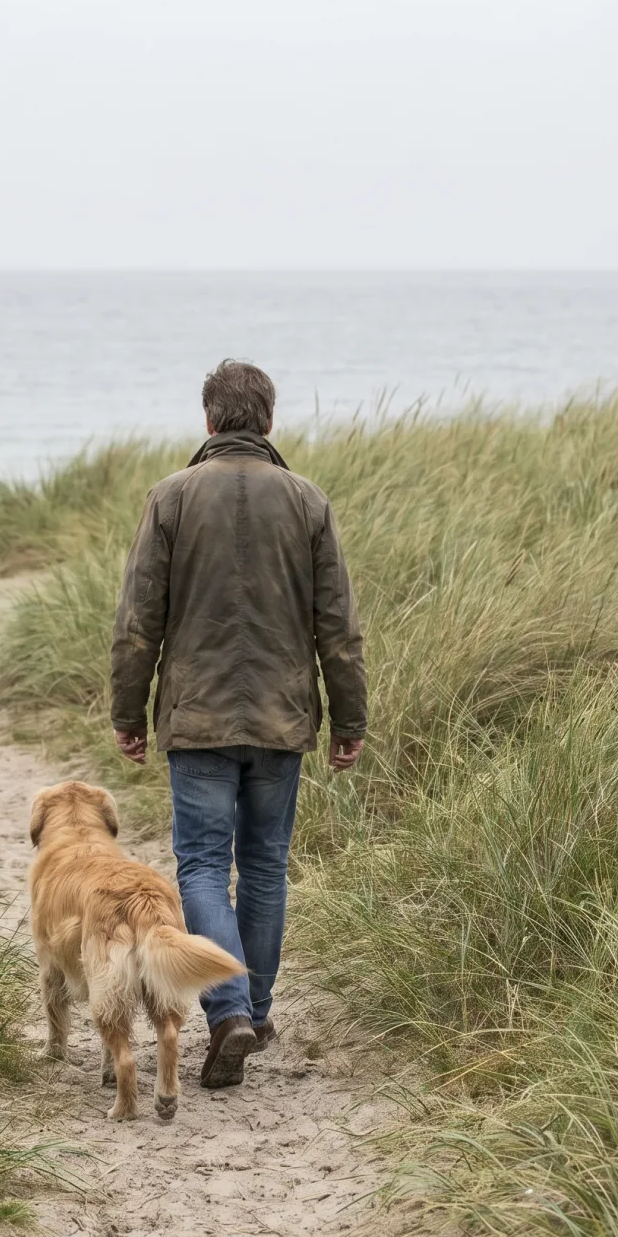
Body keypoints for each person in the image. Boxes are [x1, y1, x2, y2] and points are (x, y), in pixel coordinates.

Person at [109, 359, 366, 1090]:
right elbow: (338, 629)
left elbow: (137, 625)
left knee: (198, 864)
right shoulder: (309, 501)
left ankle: (228, 1012)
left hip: (197, 719)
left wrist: (129, 712)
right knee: (263, 865)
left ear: (211, 422)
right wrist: (350, 717)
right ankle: (253, 1004)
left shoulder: (171, 497)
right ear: (270, 422)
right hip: (282, 719)